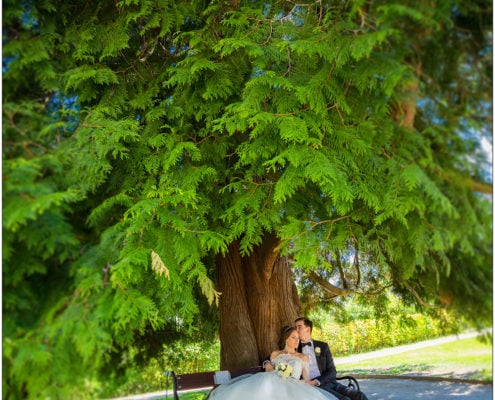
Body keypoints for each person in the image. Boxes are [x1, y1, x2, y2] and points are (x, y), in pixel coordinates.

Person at [208, 325, 339, 399]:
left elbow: (306, 379)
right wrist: (269, 365)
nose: (296, 341)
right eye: (293, 337)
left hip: (292, 384)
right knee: (264, 383)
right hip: (270, 381)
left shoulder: (302, 357)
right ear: (286, 339)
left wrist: (303, 382)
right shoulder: (275, 354)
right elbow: (269, 368)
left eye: (298, 338)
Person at [295, 316, 369, 400]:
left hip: (329, 382)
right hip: (314, 388)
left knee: (359, 395)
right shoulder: (295, 349)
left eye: (299, 327)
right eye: (295, 327)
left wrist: (317, 381)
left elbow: (332, 371)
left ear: (308, 329)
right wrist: (311, 383)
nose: (296, 330)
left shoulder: (322, 346)